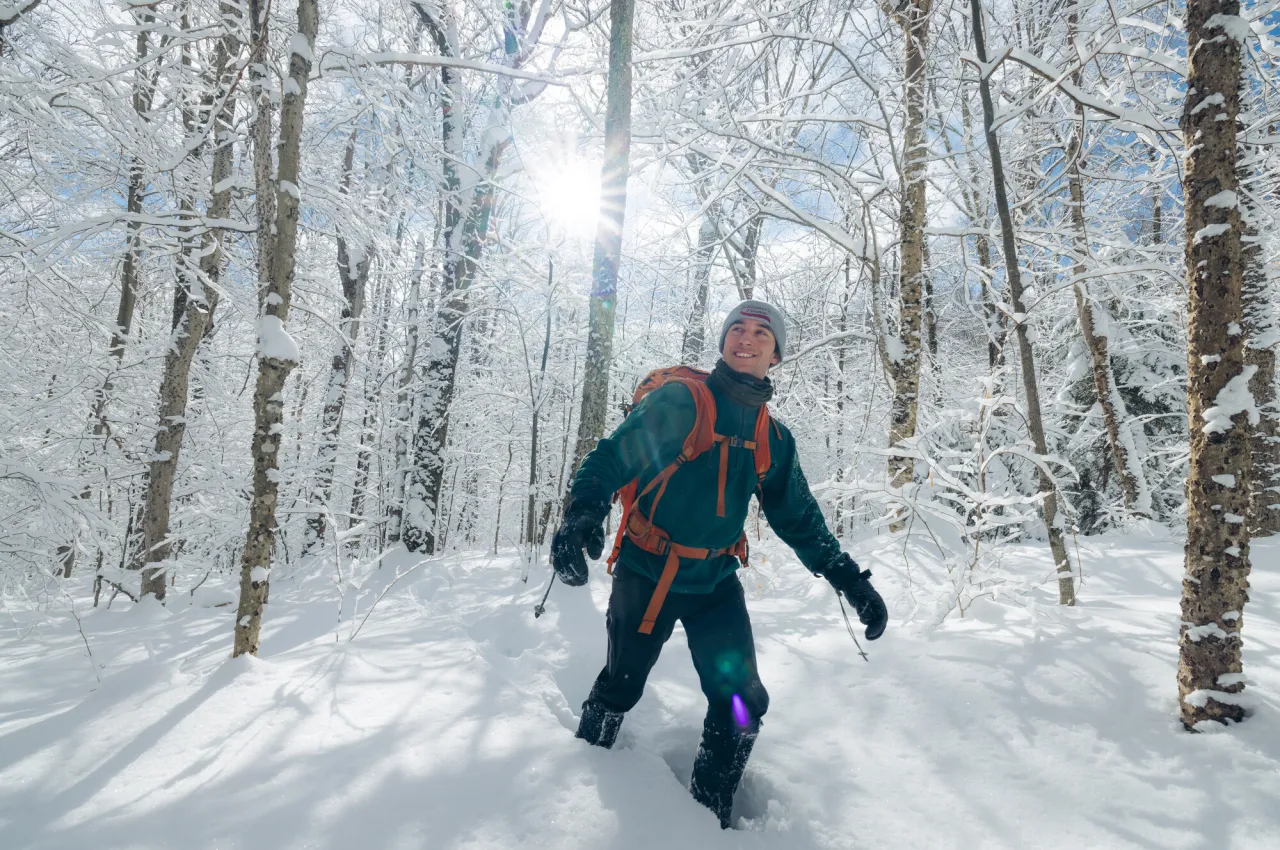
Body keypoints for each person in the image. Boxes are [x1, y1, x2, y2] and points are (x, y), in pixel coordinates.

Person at [551, 299, 888, 828]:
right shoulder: (680, 402)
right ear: (724, 340)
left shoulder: (773, 439)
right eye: (737, 327)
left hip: (714, 586)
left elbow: (799, 518)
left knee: (741, 702)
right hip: (647, 576)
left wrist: (849, 579)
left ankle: (709, 818)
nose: (746, 338)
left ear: (776, 354)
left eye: (761, 332)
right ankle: (584, 773)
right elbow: (611, 456)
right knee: (623, 682)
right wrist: (582, 513)